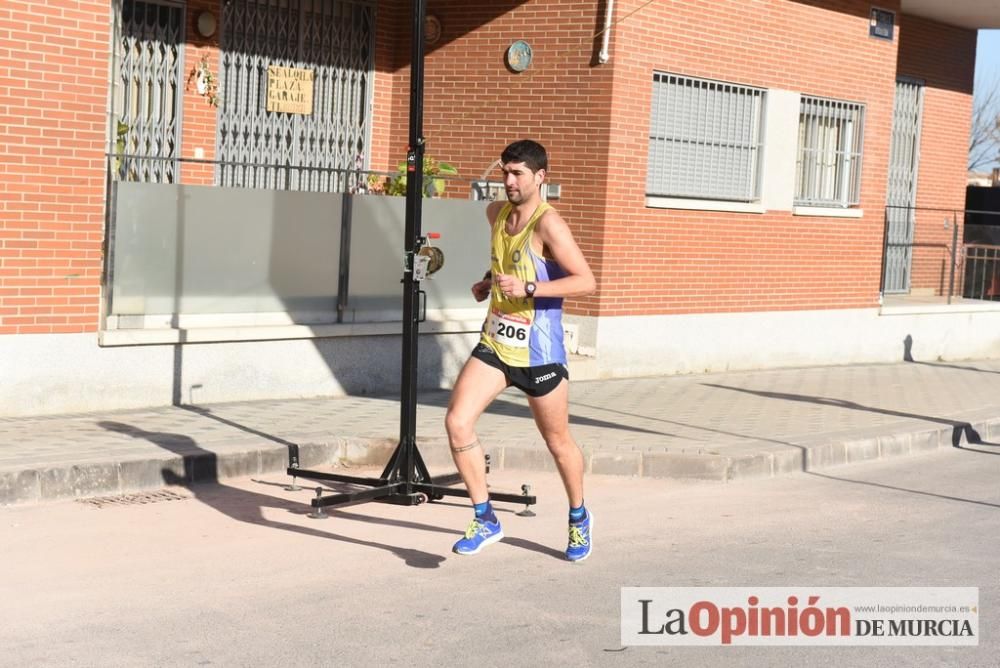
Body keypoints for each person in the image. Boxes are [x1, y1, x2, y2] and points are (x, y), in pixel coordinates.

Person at [445, 139, 597, 562]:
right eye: (505, 173)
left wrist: (530, 288)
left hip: (539, 352)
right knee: (458, 422)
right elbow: (506, 264)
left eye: (518, 175)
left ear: (540, 178)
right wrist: (489, 281)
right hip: (496, 342)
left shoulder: (551, 226)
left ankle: (579, 516)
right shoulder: (495, 213)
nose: (508, 181)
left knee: (557, 442)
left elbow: (585, 281)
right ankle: (485, 516)